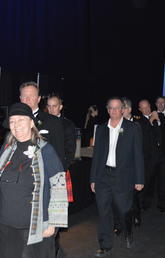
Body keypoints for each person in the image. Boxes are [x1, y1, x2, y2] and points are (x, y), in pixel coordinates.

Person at [0, 103, 68, 258]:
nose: (16, 126)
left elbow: (59, 186)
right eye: (12, 121)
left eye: (21, 120)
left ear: (31, 122)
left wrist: (53, 223)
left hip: (33, 227)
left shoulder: (45, 150)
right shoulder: (6, 148)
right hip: (5, 226)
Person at [90, 97, 144, 257]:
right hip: (103, 177)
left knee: (124, 209)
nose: (113, 111)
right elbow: (97, 156)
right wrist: (93, 178)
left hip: (123, 177)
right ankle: (105, 245)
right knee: (103, 211)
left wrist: (139, 179)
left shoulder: (132, 128)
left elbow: (138, 155)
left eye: (117, 108)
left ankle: (128, 231)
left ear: (123, 109)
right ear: (108, 110)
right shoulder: (100, 129)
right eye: (110, 108)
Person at [19, 81, 65, 166]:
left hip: (43, 171)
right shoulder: (13, 122)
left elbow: (59, 154)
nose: (27, 99)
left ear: (39, 99)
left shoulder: (53, 121)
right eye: (25, 96)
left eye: (31, 96)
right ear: (20, 98)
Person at [47, 93, 76, 171]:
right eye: (49, 106)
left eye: (54, 106)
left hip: (59, 167)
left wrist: (63, 167)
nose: (51, 109)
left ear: (60, 107)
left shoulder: (68, 125)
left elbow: (71, 150)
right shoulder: (42, 123)